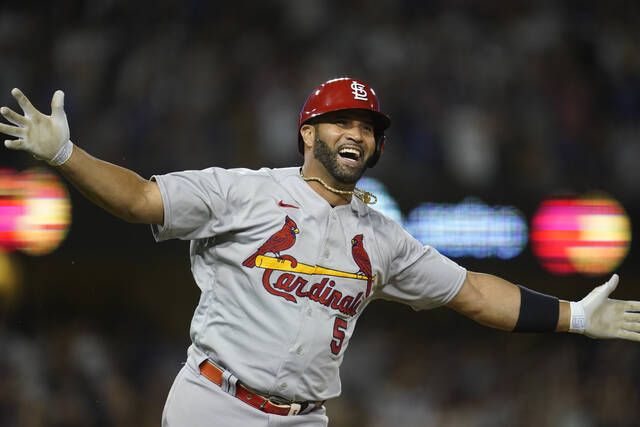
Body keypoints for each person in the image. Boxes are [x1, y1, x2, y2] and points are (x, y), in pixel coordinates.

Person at [1, 78, 639, 426]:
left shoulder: (383, 237)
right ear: (307, 131)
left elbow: (471, 292)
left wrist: (575, 317)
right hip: (214, 405)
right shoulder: (244, 192)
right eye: (341, 122)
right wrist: (65, 156)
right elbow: (141, 200)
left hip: (304, 420)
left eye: (366, 127)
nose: (356, 133)